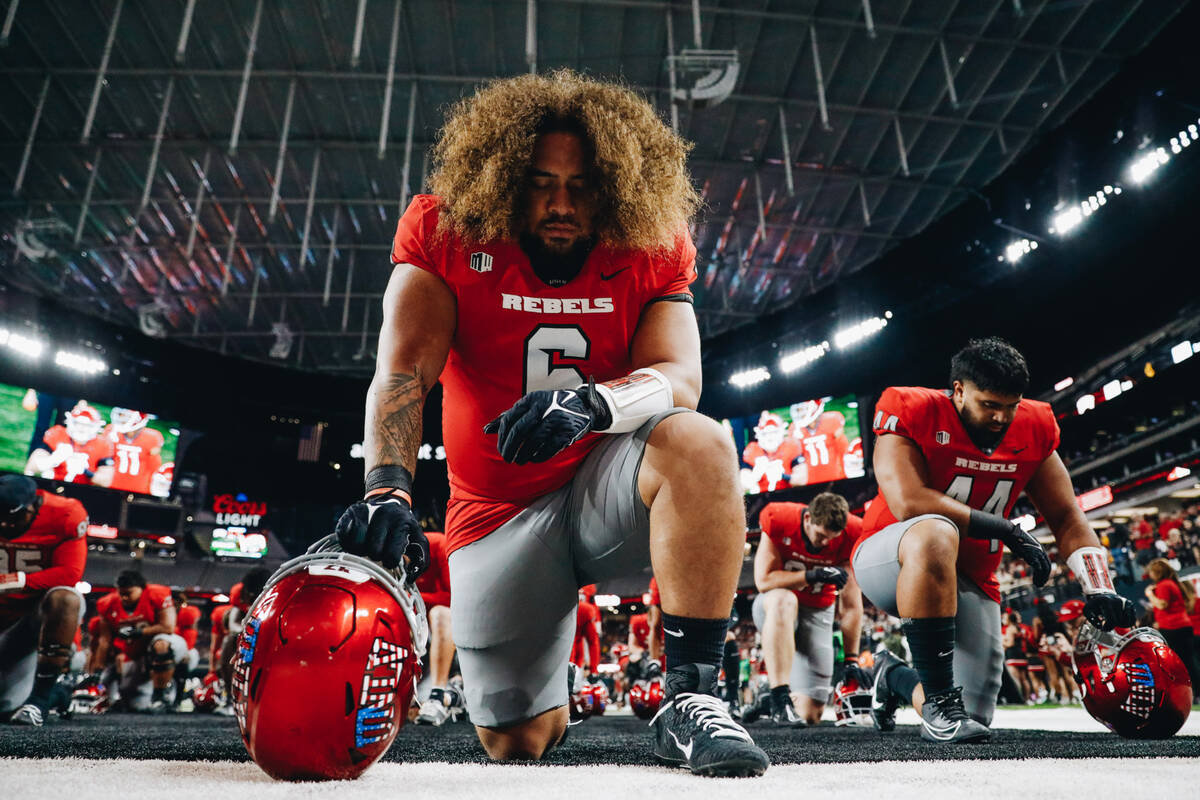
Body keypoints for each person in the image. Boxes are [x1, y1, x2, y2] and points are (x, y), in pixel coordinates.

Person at [333, 69, 768, 776]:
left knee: (700, 441)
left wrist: (594, 404)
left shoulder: (650, 243)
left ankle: (692, 700)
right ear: (504, 180)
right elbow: (405, 371)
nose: (561, 203)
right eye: (539, 182)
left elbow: (680, 378)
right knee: (516, 741)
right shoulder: (447, 231)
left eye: (582, 184)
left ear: (617, 186)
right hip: (498, 509)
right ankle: (545, 683)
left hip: (608, 491)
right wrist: (388, 487)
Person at [855, 338, 1135, 743]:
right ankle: (936, 704)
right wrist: (1005, 529)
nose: (1002, 417)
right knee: (936, 531)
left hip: (968, 574)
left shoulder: (1034, 425)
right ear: (959, 391)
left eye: (1011, 405)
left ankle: (895, 678)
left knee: (975, 714)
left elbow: (1065, 514)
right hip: (889, 558)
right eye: (989, 404)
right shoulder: (910, 408)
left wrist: (1099, 586)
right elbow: (910, 502)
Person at [751, 493, 866, 725]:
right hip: (774, 606)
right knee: (785, 600)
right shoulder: (780, 519)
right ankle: (778, 694)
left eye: (830, 538)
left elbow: (852, 605)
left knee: (810, 715)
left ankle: (765, 699)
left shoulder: (851, 534)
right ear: (807, 519)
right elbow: (763, 581)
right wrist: (810, 576)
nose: (824, 543)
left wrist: (851, 659)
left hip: (817, 612)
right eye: (821, 535)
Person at [0, 475, 88, 725]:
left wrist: (12, 581)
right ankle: (59, 695)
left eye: (11, 517)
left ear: (31, 507)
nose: (5, 524)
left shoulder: (65, 514)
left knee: (67, 598)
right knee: (4, 706)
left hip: (27, 628)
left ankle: (40, 699)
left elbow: (70, 573)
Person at [92, 571, 186, 712]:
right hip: (137, 654)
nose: (124, 597)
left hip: (165, 642)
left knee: (161, 645)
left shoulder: (156, 594)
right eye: (121, 593)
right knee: (134, 704)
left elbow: (168, 627)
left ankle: (160, 697)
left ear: (141, 588)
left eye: (128, 593)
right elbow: (105, 640)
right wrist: (98, 669)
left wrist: (139, 632)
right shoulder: (108, 603)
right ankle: (153, 693)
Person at [415, 531, 464, 725]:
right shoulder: (383, 554)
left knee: (441, 614)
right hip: (416, 639)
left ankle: (437, 696)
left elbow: (454, 598)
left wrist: (412, 598)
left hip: (445, 637)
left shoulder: (437, 544)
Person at [1144, 558, 1200, 689]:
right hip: (1182, 626)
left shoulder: (1164, 585)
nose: (1150, 575)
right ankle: (1196, 690)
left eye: (1151, 572)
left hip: (1172, 628)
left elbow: (1162, 604)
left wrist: (1149, 594)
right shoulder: (1171, 583)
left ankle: (1191, 690)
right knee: (1189, 661)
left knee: (1180, 662)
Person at [103, 408, 164, 495]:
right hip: (111, 485)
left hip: (139, 488)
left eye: (125, 416)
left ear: (138, 419)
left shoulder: (152, 437)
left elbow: (153, 466)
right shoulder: (111, 431)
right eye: (120, 415)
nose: (121, 419)